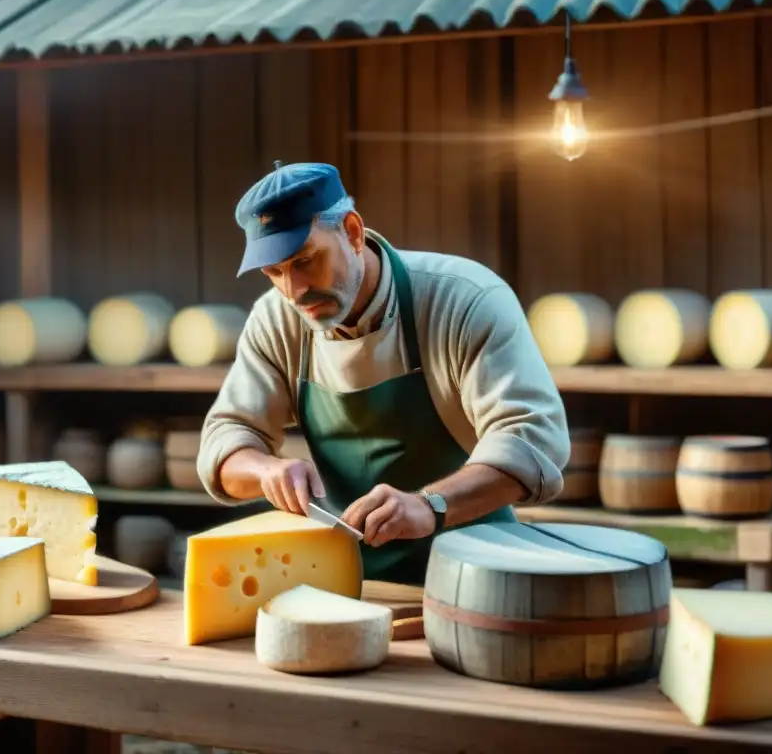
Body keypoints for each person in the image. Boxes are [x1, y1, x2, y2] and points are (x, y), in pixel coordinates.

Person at [196, 162, 570, 585]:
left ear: (352, 232)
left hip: (475, 573)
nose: (294, 290)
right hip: (345, 579)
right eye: (275, 273)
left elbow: (533, 439)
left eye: (305, 260)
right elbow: (224, 441)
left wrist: (430, 506)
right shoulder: (276, 320)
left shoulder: (465, 299)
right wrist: (267, 471)